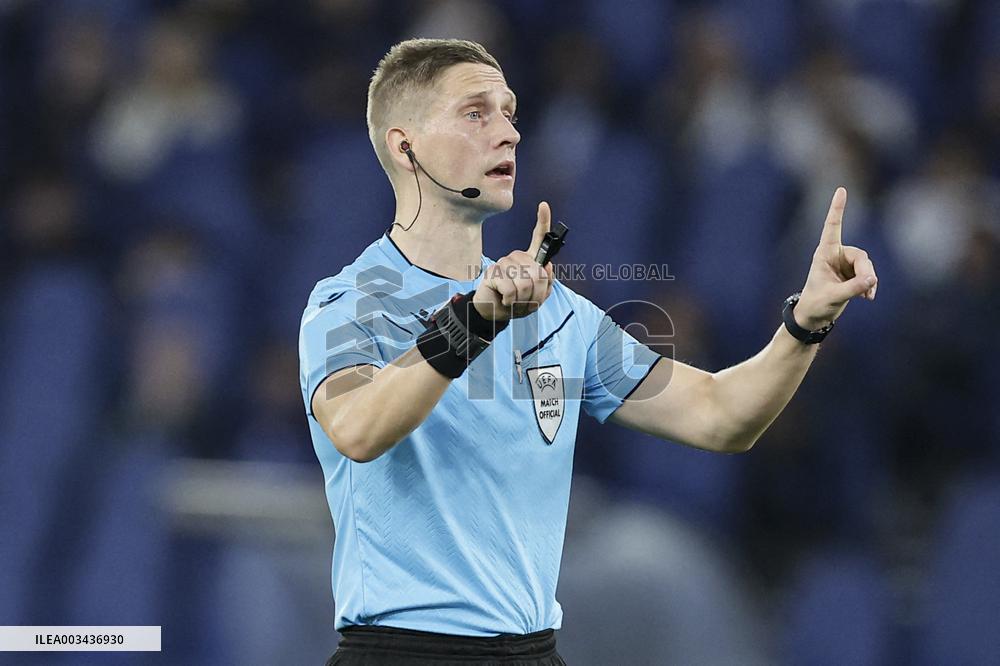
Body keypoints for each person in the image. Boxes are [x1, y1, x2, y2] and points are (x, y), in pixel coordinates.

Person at [299, 38, 878, 666]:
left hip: (533, 652)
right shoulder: (351, 301)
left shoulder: (556, 314)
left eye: (510, 111)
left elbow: (720, 415)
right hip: (400, 653)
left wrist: (805, 323)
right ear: (404, 145)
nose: (509, 134)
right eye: (476, 113)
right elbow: (357, 428)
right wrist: (478, 319)